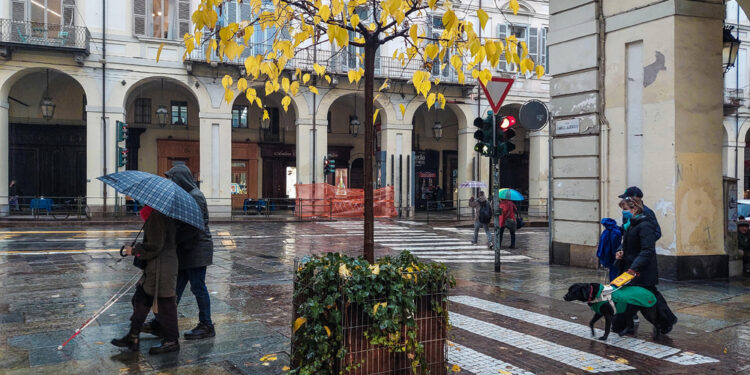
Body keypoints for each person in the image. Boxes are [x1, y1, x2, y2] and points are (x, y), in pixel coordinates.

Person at [143, 164, 215, 339]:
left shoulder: (195, 196)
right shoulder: (185, 195)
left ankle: (206, 325)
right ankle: (161, 323)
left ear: (180, 178)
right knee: (174, 290)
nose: (170, 182)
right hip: (185, 250)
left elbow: (194, 227)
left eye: (172, 178)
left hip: (196, 250)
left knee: (198, 287)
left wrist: (173, 240)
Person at [112, 206, 180, 354]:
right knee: (141, 298)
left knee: (165, 304)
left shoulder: (157, 215)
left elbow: (155, 245)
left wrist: (134, 250)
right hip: (158, 266)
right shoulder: (160, 213)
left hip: (162, 267)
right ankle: (133, 336)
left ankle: (172, 341)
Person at [615, 196, 677, 335]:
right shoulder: (631, 224)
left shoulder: (645, 225)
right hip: (631, 267)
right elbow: (627, 243)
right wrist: (620, 251)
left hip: (642, 270)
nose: (623, 212)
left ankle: (666, 322)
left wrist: (634, 267)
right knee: (631, 296)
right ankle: (625, 324)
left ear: (634, 208)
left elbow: (647, 250)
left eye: (625, 209)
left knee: (650, 298)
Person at [597, 218, 623, 282]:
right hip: (615, 255)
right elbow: (615, 245)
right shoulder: (616, 231)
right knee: (615, 272)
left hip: (609, 255)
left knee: (613, 272)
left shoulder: (606, 231)